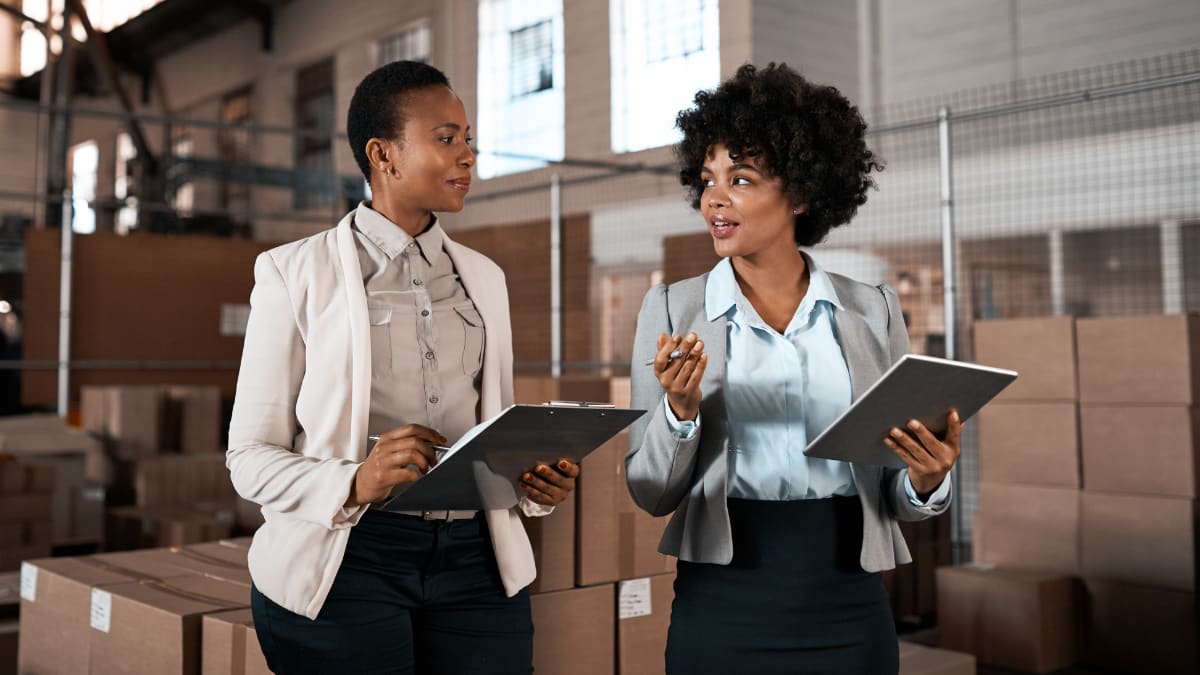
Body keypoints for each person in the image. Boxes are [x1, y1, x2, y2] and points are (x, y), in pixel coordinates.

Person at [227, 60, 579, 675]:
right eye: (446, 139)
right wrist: (355, 482)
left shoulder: (485, 279)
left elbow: (489, 428)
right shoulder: (293, 273)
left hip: (476, 558)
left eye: (469, 138)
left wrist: (531, 484)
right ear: (383, 156)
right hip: (351, 558)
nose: (468, 156)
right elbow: (249, 458)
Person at [625, 63, 963, 675]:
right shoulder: (673, 309)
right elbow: (650, 492)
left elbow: (895, 493)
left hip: (847, 596)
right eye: (708, 179)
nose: (714, 198)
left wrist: (926, 480)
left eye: (742, 178)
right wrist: (679, 414)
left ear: (803, 192)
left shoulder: (873, 311)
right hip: (724, 594)